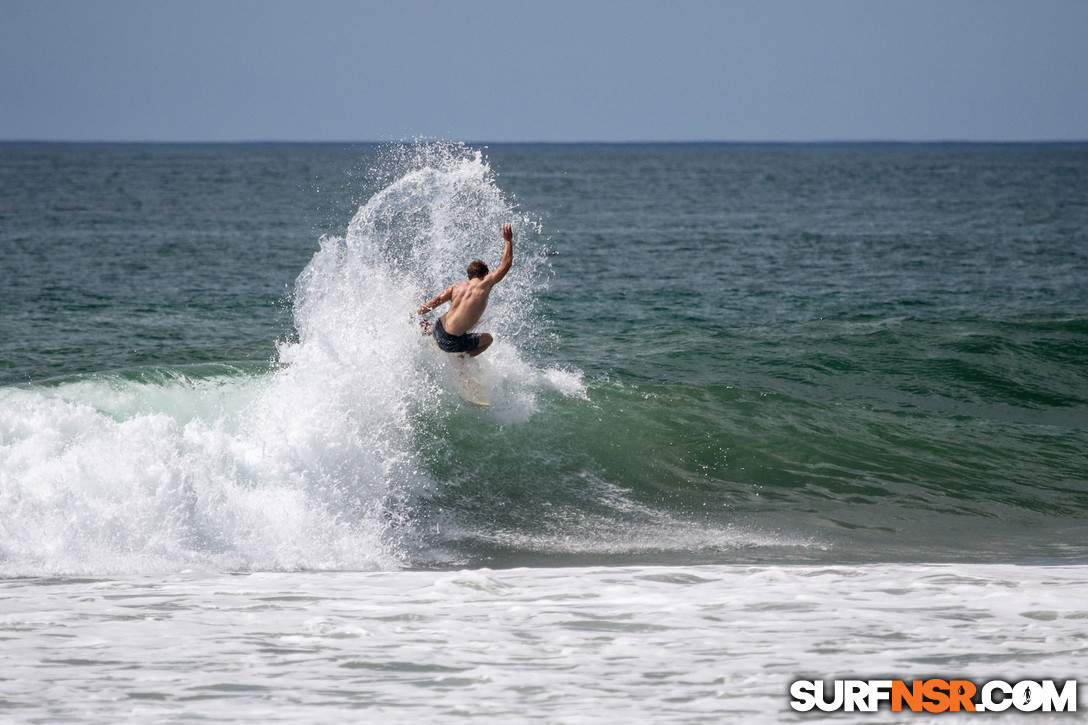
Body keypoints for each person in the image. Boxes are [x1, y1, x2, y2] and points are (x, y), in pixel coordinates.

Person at [416, 223, 513, 357]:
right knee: (487, 339)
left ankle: (423, 328)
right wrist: (507, 240)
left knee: (446, 323)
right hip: (451, 343)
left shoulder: (456, 287)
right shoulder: (485, 283)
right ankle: (462, 358)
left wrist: (416, 313)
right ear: (484, 274)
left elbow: (434, 302)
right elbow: (506, 264)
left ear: (469, 275)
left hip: (438, 329)